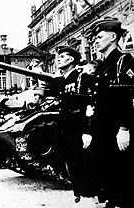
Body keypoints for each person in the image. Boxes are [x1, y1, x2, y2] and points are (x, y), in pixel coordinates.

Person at [85, 17, 134, 207]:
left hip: (116, 132)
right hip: (102, 133)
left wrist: (124, 128)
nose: (95, 41)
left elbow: (127, 98)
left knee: (121, 182)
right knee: (106, 182)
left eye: (99, 37)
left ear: (113, 36)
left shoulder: (124, 61)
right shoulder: (101, 66)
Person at [52, 46, 97, 205]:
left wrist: (87, 130)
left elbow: (90, 106)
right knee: (72, 165)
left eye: (62, 56)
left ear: (71, 60)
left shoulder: (82, 78)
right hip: (67, 130)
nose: (58, 59)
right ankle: (80, 194)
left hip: (79, 129)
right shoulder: (62, 80)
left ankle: (89, 198)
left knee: (83, 164)